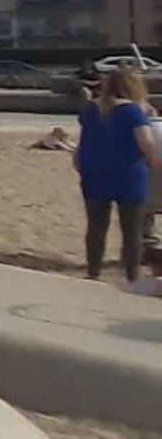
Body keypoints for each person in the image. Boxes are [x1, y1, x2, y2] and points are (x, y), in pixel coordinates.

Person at [73, 69, 161, 284]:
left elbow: (85, 138)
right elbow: (146, 142)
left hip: (93, 170)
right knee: (131, 229)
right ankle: (132, 275)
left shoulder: (93, 108)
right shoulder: (133, 111)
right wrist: (151, 159)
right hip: (127, 172)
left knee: (96, 226)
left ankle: (93, 271)